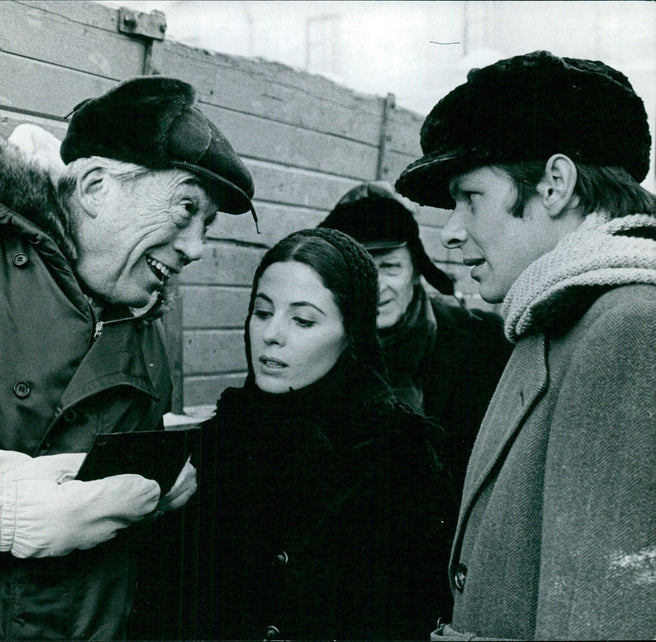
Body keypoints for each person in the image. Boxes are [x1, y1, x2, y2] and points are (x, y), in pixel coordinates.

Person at [0, 75, 255, 640]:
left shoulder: (147, 328)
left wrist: (152, 494)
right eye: (185, 208)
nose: (195, 247)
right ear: (95, 186)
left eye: (206, 225)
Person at [394, 50, 656, 640]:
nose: (451, 231)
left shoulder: (630, 330)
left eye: (470, 198)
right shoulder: (556, 318)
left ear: (555, 185)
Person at [185, 228, 456, 640]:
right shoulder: (216, 443)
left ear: (352, 333)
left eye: (303, 319)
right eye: (262, 312)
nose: (272, 334)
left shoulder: (403, 454)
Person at [318, 182, 511, 495]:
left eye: (390, 267)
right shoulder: (317, 348)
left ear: (415, 271)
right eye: (360, 270)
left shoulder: (483, 344)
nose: (375, 287)